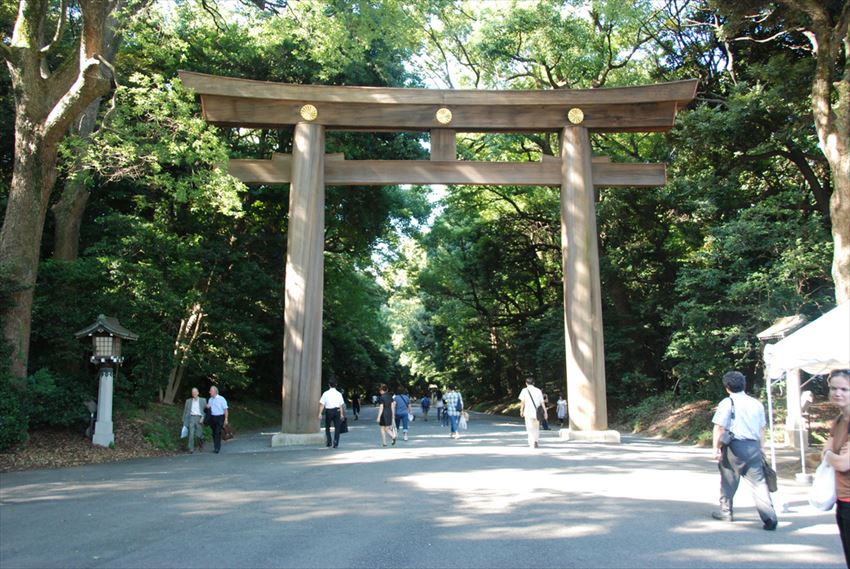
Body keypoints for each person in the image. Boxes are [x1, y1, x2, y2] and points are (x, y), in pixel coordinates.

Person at [711, 370, 778, 530]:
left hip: (734, 447)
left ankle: (726, 511)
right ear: (744, 385)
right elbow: (762, 429)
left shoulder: (727, 403)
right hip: (753, 447)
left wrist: (716, 449)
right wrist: (762, 448)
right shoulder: (756, 404)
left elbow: (719, 427)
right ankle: (769, 517)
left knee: (728, 479)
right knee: (759, 483)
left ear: (727, 386)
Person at [823, 369, 850, 566]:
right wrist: (831, 454)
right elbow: (825, 452)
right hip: (842, 499)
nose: (837, 393)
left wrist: (830, 454)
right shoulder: (839, 420)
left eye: (844, 389)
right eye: (834, 388)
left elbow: (843, 463)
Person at [318, 378, 346, 448]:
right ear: (336, 385)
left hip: (329, 411)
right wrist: (342, 414)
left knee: (327, 427)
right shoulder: (339, 394)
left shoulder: (325, 393)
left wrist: (320, 413)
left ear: (329, 385)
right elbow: (341, 405)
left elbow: (322, 404)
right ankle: (336, 442)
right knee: (337, 427)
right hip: (337, 411)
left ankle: (329, 441)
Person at [518, 378, 546, 448]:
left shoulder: (524, 390)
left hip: (528, 412)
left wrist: (521, 410)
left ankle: (531, 442)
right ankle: (536, 441)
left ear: (526, 383)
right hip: (537, 412)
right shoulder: (538, 390)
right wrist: (545, 412)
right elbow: (542, 402)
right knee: (536, 427)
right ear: (533, 383)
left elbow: (522, 402)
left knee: (529, 428)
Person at [182, 387, 206, 454]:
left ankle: (201, 441)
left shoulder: (203, 400)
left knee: (199, 434)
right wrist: (184, 420)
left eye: (195, 392)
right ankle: (191, 448)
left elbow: (206, 411)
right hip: (191, 418)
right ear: (192, 394)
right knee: (191, 433)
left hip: (199, 418)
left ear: (198, 393)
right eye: (193, 392)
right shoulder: (188, 401)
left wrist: (203, 417)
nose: (194, 393)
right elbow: (185, 411)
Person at [206, 386, 229, 454]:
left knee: (217, 432)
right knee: (214, 433)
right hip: (212, 417)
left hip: (220, 417)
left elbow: (225, 409)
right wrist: (207, 407)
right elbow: (209, 408)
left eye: (211, 391)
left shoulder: (221, 399)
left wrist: (226, 418)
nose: (210, 392)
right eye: (210, 391)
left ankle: (217, 448)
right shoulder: (210, 399)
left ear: (215, 391)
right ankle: (215, 446)